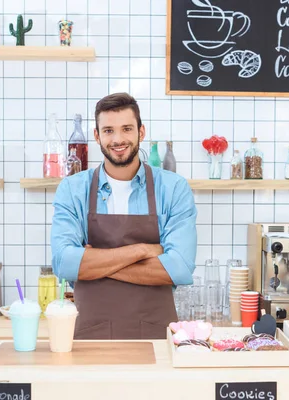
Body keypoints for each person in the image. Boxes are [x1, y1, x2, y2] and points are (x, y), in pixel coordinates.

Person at [51, 92, 197, 340]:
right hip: (90, 336)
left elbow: (180, 269)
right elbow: (64, 264)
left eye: (126, 129)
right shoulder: (73, 189)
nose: (118, 139)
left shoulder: (173, 188)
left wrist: (90, 263)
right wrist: (142, 250)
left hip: (157, 337)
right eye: (108, 130)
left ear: (141, 132)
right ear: (97, 136)